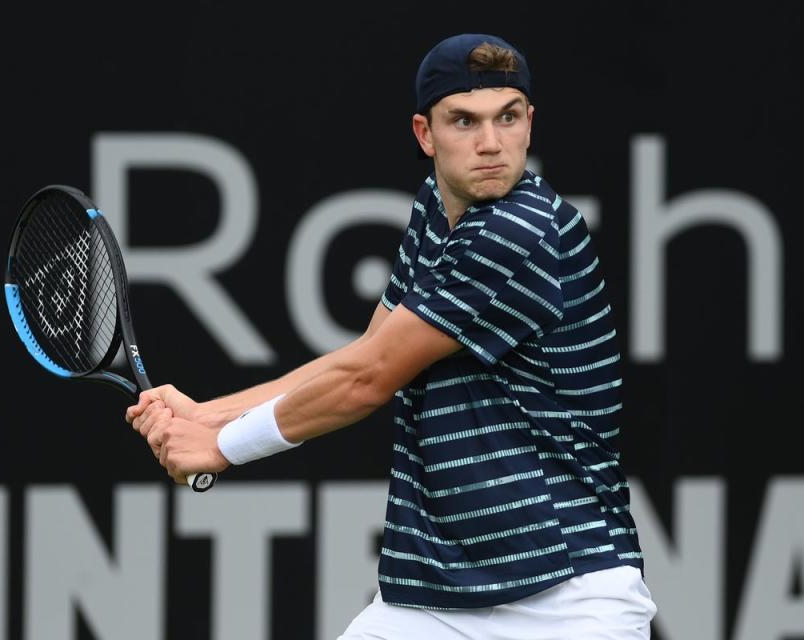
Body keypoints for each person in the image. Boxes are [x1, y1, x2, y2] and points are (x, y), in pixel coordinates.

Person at [127, 32, 657, 640]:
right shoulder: (437, 208)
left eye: (507, 118)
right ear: (425, 134)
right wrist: (210, 416)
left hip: (567, 597)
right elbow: (366, 352)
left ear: (529, 124)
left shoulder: (523, 230)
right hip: (434, 594)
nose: (491, 144)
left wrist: (223, 447)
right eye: (464, 121)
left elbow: (367, 382)